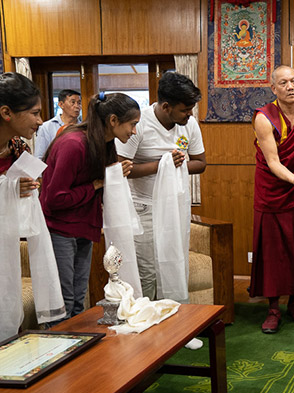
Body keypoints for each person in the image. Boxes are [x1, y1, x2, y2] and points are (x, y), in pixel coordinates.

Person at [41, 92, 139, 319]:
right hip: (61, 229)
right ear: (113, 120)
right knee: (64, 301)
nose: (134, 132)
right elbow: (54, 200)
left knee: (78, 299)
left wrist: (111, 178)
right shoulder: (73, 144)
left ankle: (78, 350)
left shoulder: (104, 143)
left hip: (85, 226)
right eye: (132, 124)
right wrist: (98, 183)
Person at [116, 72, 206, 302]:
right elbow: (121, 168)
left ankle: (175, 326)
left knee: (175, 263)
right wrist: (162, 164)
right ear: (166, 106)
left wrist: (178, 163)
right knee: (148, 273)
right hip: (143, 207)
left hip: (175, 206)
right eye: (185, 110)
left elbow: (201, 163)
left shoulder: (189, 124)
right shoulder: (139, 124)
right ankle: (146, 328)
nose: (190, 114)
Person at [250, 65, 294, 333]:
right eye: (284, 83)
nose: (291, 87)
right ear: (273, 88)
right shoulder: (264, 118)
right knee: (273, 253)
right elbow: (273, 162)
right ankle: (273, 307)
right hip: (274, 192)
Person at [0, 72, 66, 338]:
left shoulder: (18, 147)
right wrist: (9, 187)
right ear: (6, 112)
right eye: (35, 113)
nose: (40, 121)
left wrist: (23, 189)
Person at [35, 89, 81, 160]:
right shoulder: (46, 127)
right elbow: (39, 157)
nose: (77, 106)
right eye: (73, 102)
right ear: (61, 104)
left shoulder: (83, 127)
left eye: (79, 103)